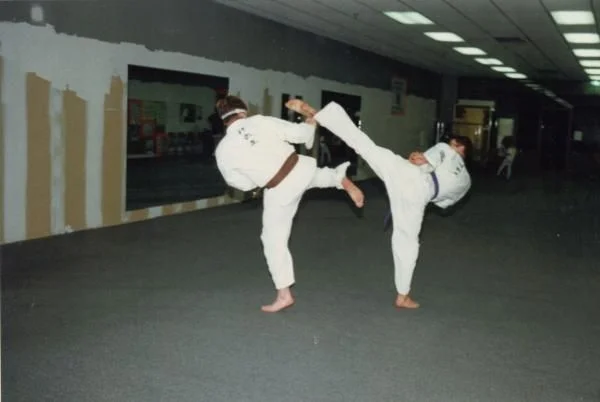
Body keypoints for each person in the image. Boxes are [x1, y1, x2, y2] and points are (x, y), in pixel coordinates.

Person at [286, 99, 472, 309]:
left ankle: (317, 113)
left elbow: (430, 156)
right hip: (420, 194)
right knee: (407, 242)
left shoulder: (448, 149)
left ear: (460, 147)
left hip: (406, 172)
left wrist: (421, 160)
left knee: (363, 144)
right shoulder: (466, 183)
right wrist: (423, 171)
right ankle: (403, 295)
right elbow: (443, 203)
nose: (451, 144)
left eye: (454, 143)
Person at [214, 95, 365, 313]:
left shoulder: (223, 150)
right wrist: (309, 121)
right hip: (299, 167)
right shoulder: (260, 121)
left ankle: (284, 295)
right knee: (316, 177)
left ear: (222, 119)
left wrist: (257, 180)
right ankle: (338, 177)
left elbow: (240, 184)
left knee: (272, 239)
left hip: (279, 188)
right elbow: (300, 135)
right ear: (243, 110)